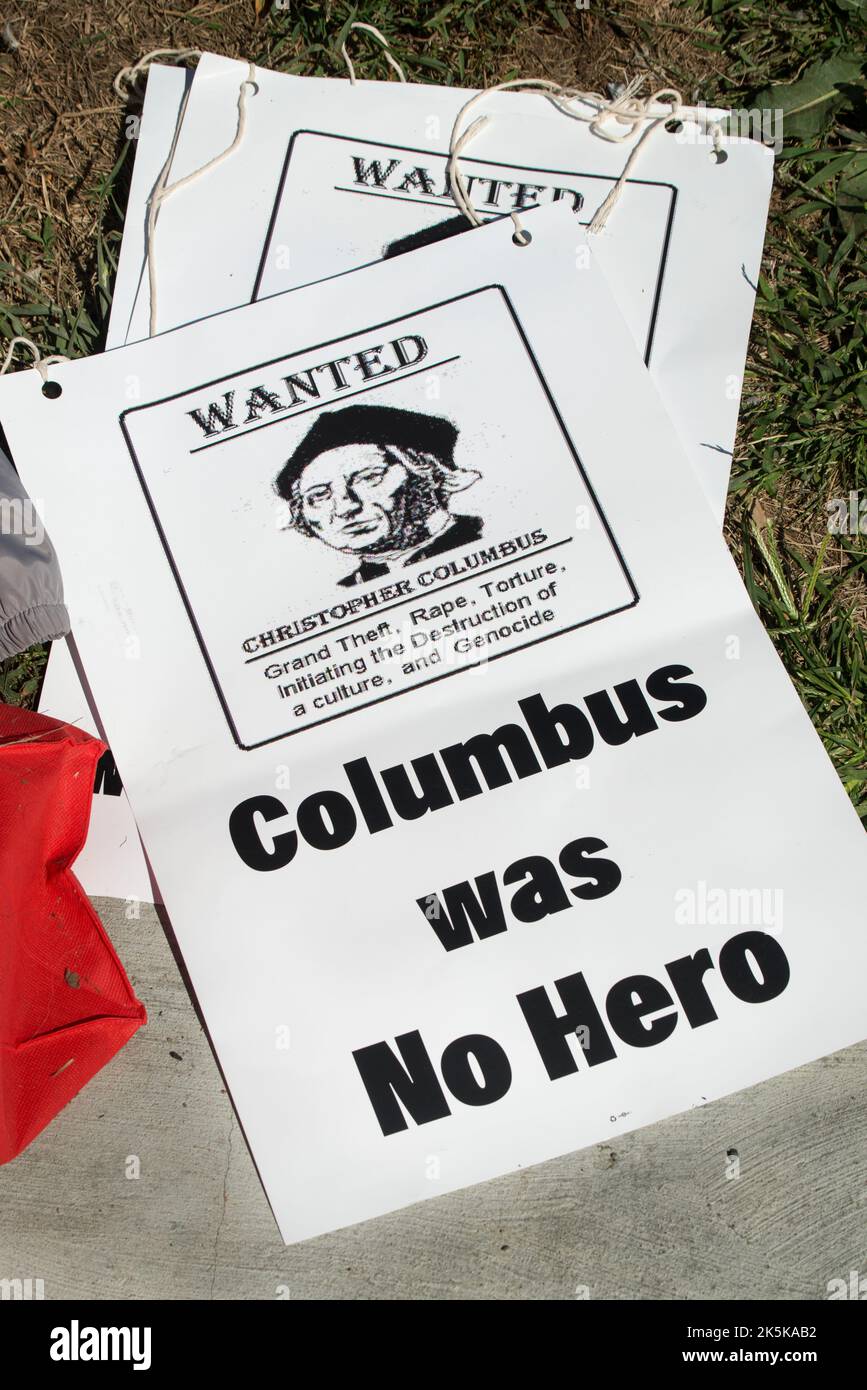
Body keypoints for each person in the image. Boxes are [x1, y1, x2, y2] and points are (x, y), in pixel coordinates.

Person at [274, 403, 482, 587]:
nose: (346, 507)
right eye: (319, 495)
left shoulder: (482, 540)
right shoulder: (347, 589)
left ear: (429, 471)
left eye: (368, 478)